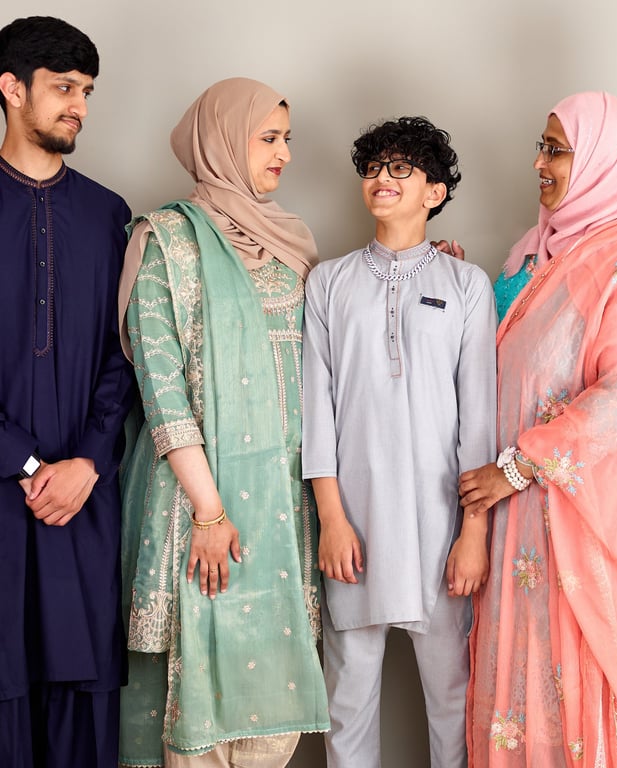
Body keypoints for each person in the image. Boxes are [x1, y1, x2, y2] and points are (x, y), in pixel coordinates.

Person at [461, 92, 617, 767]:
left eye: (557, 150)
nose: (539, 163)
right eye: (541, 147)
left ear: (603, 159)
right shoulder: (534, 252)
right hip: (520, 523)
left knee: (582, 697)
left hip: (586, 523)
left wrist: (518, 465)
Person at [117, 78, 328, 768]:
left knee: (269, 713)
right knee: (194, 710)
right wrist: (209, 512)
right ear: (222, 141)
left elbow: (334, 351)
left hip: (281, 500)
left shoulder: (292, 244)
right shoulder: (166, 240)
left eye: (286, 138)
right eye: (268, 138)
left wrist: (423, 262)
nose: (284, 154)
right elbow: (162, 388)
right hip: (193, 503)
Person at [301, 116, 496, 767]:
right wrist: (332, 520)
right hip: (354, 526)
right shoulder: (329, 281)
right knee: (347, 705)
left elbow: (479, 420)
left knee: (453, 704)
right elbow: (316, 411)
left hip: (441, 530)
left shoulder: (466, 285)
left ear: (434, 192)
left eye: (400, 169)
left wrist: (474, 534)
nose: (381, 179)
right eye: (373, 168)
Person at [0, 15, 134, 768]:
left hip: (83, 498)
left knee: (83, 694)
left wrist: (86, 461)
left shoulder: (108, 213)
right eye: (62, 88)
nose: (79, 105)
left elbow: (126, 352)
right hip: (6, 498)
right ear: (12, 88)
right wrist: (26, 463)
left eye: (86, 90)